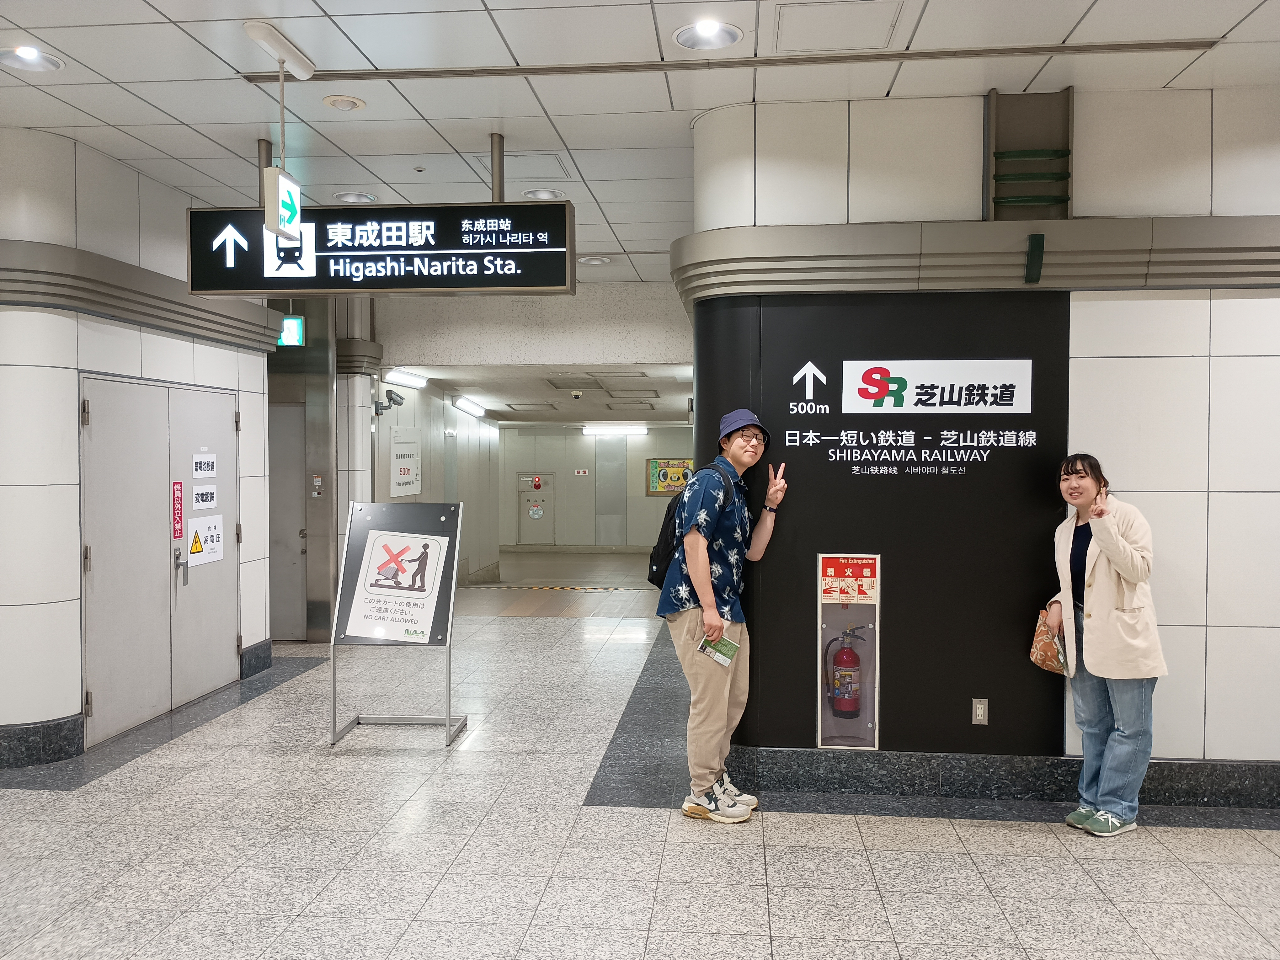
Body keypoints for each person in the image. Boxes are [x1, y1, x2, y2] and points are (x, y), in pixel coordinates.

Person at [657, 409, 788, 823]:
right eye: (743, 435)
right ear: (724, 441)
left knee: (732, 700)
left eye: (759, 439)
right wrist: (710, 609)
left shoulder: (736, 486)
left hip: (728, 609)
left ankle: (715, 781)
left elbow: (752, 552)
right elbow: (694, 542)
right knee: (711, 703)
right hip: (702, 609)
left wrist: (769, 506)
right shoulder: (710, 481)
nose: (753, 443)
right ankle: (699, 793)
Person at [1045, 454, 1166, 837]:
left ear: (1100, 482)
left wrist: (1104, 526)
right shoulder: (1064, 530)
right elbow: (1076, 582)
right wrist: (1057, 603)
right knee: (1093, 725)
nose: (1073, 484)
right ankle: (1092, 801)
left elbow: (1138, 570)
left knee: (1131, 727)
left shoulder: (1126, 516)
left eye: (1081, 476)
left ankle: (1119, 808)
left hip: (1123, 634)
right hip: (1081, 632)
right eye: (1066, 478)